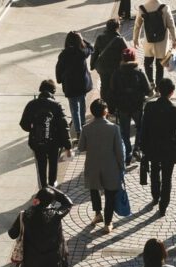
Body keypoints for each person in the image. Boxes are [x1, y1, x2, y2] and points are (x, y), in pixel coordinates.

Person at [7, 185, 73, 267]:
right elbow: (68, 203)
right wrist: (52, 189)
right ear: (51, 201)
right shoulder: (56, 215)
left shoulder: (25, 214)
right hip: (52, 263)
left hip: (32, 264)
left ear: (37, 199)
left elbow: (12, 234)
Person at [139, 77, 176, 217]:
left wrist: (142, 145)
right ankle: (163, 205)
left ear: (158, 90)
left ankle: (155, 195)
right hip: (169, 148)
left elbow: (144, 127)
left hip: (152, 146)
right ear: (172, 92)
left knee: (154, 170)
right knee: (167, 177)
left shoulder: (149, 107)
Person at [78, 99, 126, 234]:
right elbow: (119, 151)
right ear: (105, 111)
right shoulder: (114, 128)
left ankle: (98, 213)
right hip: (110, 166)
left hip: (92, 165)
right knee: (110, 195)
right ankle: (108, 222)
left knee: (94, 189)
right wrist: (122, 167)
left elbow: (81, 147)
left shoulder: (86, 128)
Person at [19, 79, 72, 189]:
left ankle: (43, 187)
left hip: (37, 141)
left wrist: (33, 128)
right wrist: (68, 146)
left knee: (41, 164)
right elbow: (64, 127)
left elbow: (24, 124)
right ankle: (52, 185)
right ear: (53, 91)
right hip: (54, 142)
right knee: (53, 163)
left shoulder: (31, 104)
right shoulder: (57, 106)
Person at [109, 47, 151, 166]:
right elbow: (148, 90)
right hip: (137, 106)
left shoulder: (117, 73)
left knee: (124, 131)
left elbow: (112, 91)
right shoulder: (139, 72)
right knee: (140, 128)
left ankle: (127, 153)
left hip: (122, 107)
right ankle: (137, 149)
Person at [55, 31, 94, 139]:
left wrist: (59, 80)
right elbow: (91, 47)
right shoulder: (82, 52)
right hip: (82, 85)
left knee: (74, 109)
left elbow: (59, 69)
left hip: (70, 85)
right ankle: (83, 124)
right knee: (82, 105)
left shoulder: (63, 54)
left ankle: (78, 131)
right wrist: (82, 39)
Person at [133, 1, 176, 94]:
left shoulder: (142, 8)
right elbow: (171, 25)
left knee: (148, 63)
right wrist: (174, 40)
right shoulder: (165, 8)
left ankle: (150, 83)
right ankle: (158, 88)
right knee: (160, 66)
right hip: (162, 43)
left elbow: (137, 26)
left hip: (149, 42)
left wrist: (135, 39)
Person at [90, 18, 127, 105]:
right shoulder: (120, 39)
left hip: (102, 67)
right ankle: (113, 106)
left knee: (104, 85)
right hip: (115, 67)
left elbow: (95, 53)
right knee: (114, 86)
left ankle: (103, 105)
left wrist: (92, 65)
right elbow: (126, 53)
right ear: (117, 27)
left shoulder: (100, 38)